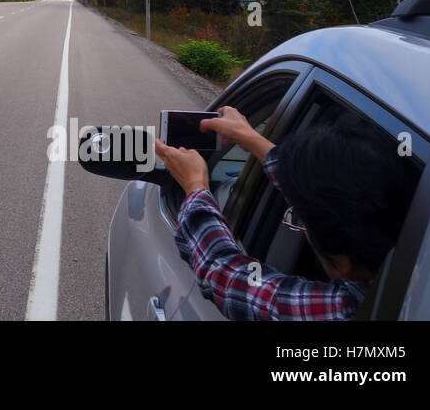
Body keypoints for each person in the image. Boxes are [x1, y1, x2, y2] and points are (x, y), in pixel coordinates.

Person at [153, 105, 413, 320]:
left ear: (345, 265)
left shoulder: (343, 312)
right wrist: (250, 138)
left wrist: (195, 187)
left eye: (301, 220)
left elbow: (223, 272)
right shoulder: (413, 227)